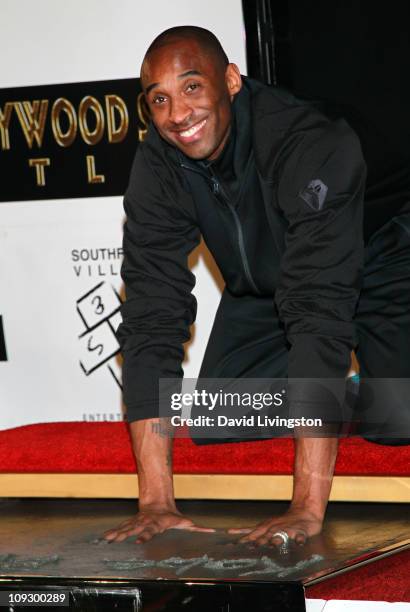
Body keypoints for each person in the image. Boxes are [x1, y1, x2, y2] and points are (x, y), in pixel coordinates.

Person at [104, 26, 410, 547]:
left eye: (193, 87)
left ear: (230, 80)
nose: (178, 114)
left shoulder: (309, 140)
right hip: (270, 283)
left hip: (381, 256)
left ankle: (348, 393)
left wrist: (305, 509)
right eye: (160, 99)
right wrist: (157, 503)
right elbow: (152, 317)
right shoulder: (159, 162)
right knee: (216, 415)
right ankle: (337, 395)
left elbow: (318, 310)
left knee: (398, 416)